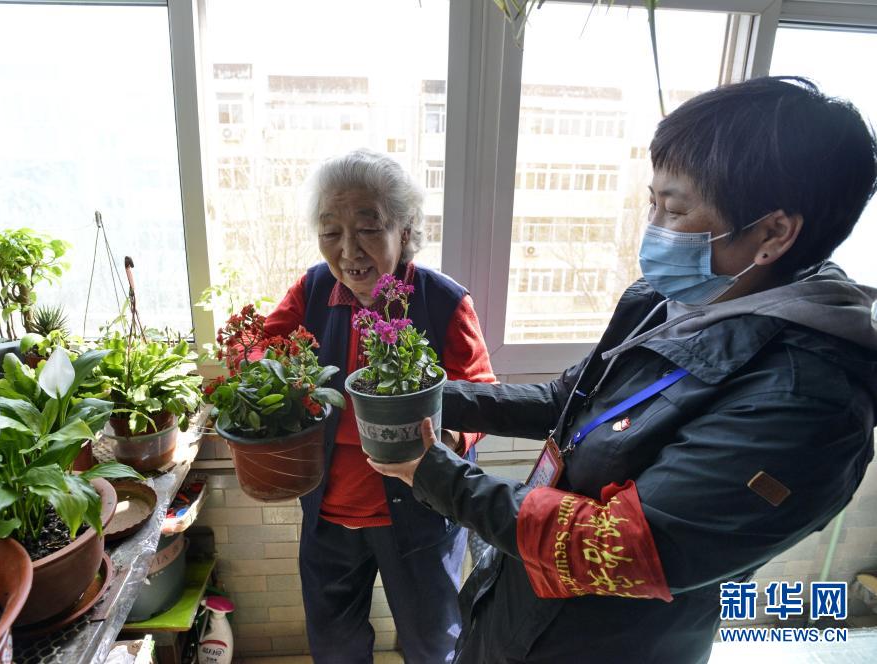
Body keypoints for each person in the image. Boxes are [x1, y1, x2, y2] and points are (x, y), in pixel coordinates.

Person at [370, 77, 877, 663]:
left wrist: (435, 475)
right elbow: (567, 400)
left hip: (604, 643)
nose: (653, 226)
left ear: (773, 233)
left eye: (675, 209)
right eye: (652, 202)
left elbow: (618, 545)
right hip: (523, 604)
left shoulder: (807, 403)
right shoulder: (672, 303)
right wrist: (432, 398)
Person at [263, 148, 496, 663]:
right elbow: (262, 347)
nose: (349, 250)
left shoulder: (442, 301)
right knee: (334, 643)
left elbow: (480, 391)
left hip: (421, 514)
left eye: (368, 228)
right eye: (331, 231)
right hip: (329, 511)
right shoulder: (313, 290)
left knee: (433, 641)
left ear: (405, 231)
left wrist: (448, 439)